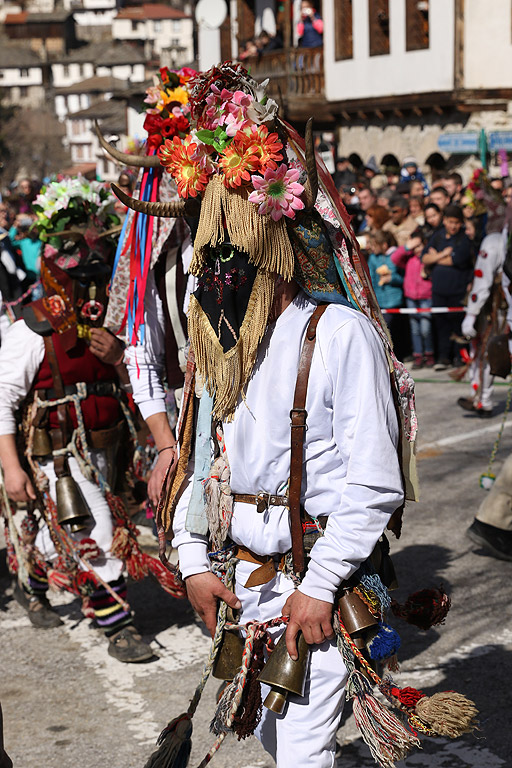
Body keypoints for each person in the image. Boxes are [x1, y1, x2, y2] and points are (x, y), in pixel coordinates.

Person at [116, 64, 435, 768]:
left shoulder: (338, 335)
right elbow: (202, 461)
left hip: (315, 575)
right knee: (267, 735)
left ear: (272, 243)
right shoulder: (218, 351)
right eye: (207, 255)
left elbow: (374, 481)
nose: (215, 273)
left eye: (232, 252)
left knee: (300, 750)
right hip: (244, 583)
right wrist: (195, 563)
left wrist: (321, 585)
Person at [0, 179, 181, 662]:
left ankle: (34, 580)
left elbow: (143, 380)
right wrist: (13, 469)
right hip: (58, 454)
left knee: (55, 531)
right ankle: (118, 626)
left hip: (111, 445)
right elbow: (2, 402)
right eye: (76, 271)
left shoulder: (114, 327)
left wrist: (119, 356)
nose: (88, 285)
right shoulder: (29, 330)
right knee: (95, 531)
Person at [457, 170, 507, 417]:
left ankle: (483, 400)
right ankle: (480, 398)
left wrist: (471, 314)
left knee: (488, 352)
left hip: (501, 310)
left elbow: (482, 283)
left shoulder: (493, 241)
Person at [422, 204, 473, 370]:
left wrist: (435, 257)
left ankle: (459, 356)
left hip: (457, 289)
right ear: (444, 221)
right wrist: (444, 254)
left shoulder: (464, 239)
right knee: (441, 325)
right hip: (439, 290)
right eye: (450, 222)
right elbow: (425, 259)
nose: (453, 226)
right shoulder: (437, 237)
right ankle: (443, 357)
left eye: (456, 222)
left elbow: (457, 260)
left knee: (458, 325)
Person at [391, 229, 434, 369]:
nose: (417, 249)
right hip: (411, 297)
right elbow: (394, 258)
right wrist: (407, 247)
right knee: (415, 329)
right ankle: (418, 356)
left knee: (425, 328)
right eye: (414, 246)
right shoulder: (409, 259)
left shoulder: (428, 258)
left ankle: (429, 354)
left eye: (419, 245)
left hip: (425, 297)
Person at [367, 230, 405, 354]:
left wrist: (391, 278)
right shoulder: (373, 258)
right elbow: (370, 278)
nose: (371, 248)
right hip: (380, 301)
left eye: (374, 245)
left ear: (383, 245)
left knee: (396, 331)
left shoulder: (394, 257)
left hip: (395, 300)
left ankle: (400, 354)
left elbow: (403, 278)